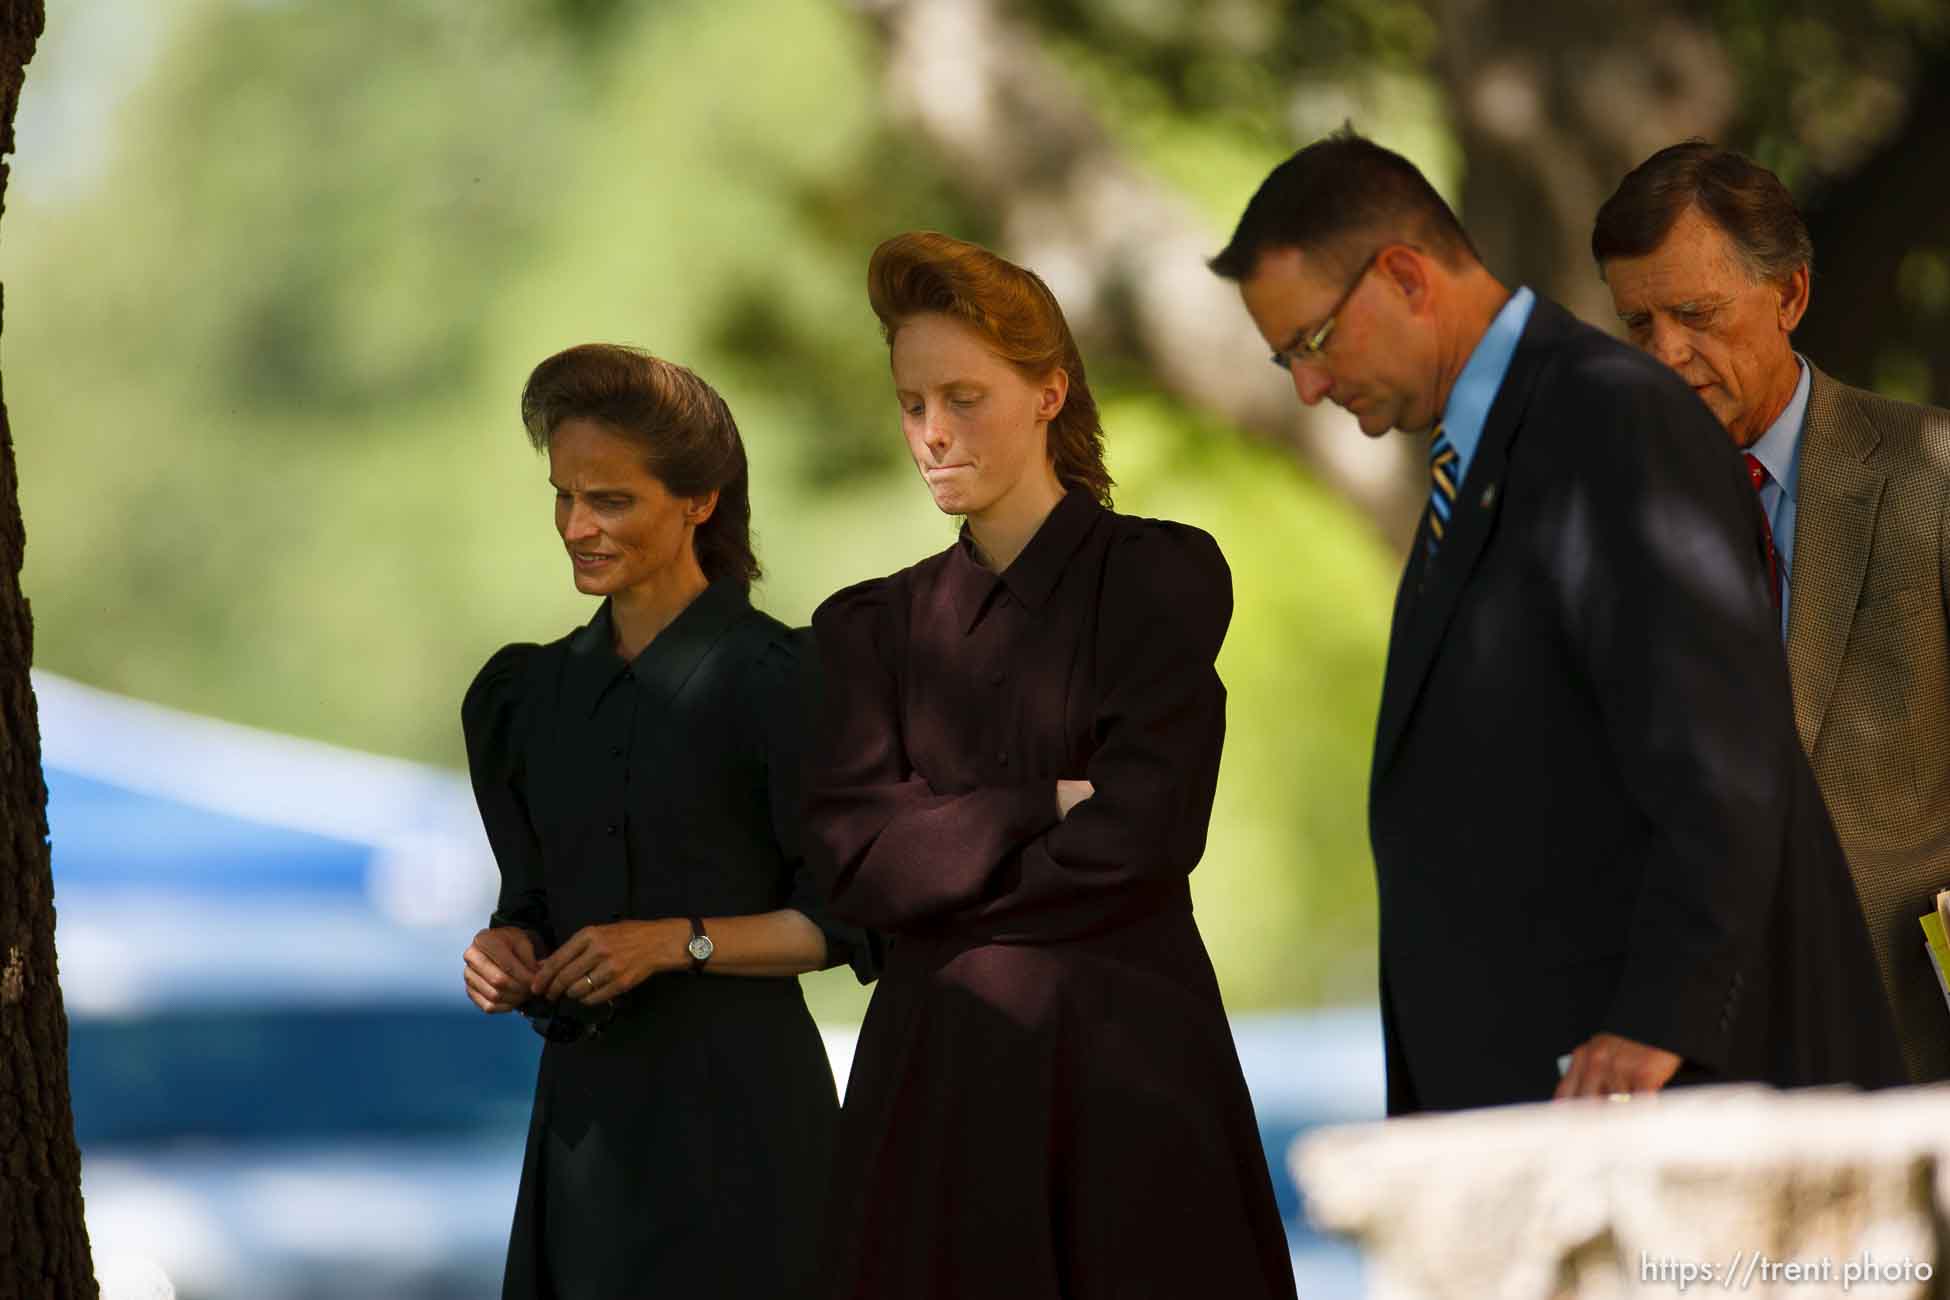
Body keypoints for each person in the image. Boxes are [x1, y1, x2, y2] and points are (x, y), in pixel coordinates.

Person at [1208, 128, 1905, 1115]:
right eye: (1286, 359)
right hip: (1558, 1123)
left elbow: (1721, 755)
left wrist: (1661, 1017)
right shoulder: (1488, 455)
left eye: (1313, 342)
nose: (1309, 385)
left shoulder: (1613, 418)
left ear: (1407, 276)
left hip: (1674, 1128)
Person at [804, 232, 1296, 1300]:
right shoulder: (867, 630)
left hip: (1131, 1084)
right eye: (912, 402)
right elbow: (850, 866)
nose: (932, 433)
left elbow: (1149, 832)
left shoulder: (1158, 577)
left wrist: (938, 873)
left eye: (964, 396)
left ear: (1049, 392)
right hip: (937, 1093)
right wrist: (1039, 801)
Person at [459, 344, 872, 1300]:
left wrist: (674, 944)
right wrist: (505, 948)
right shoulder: (525, 697)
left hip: (747, 1135)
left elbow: (845, 924)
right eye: (564, 496)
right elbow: (529, 899)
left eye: (611, 500)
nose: (576, 526)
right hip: (584, 1137)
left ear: (700, 501)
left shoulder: (786, 681)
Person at [1593, 141, 1950, 1083]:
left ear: (1790, 296)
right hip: (1695, 1088)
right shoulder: (1604, 529)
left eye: (1697, 314)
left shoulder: (1936, 477)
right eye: (1639, 325)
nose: (1667, 352)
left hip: (1909, 1057)